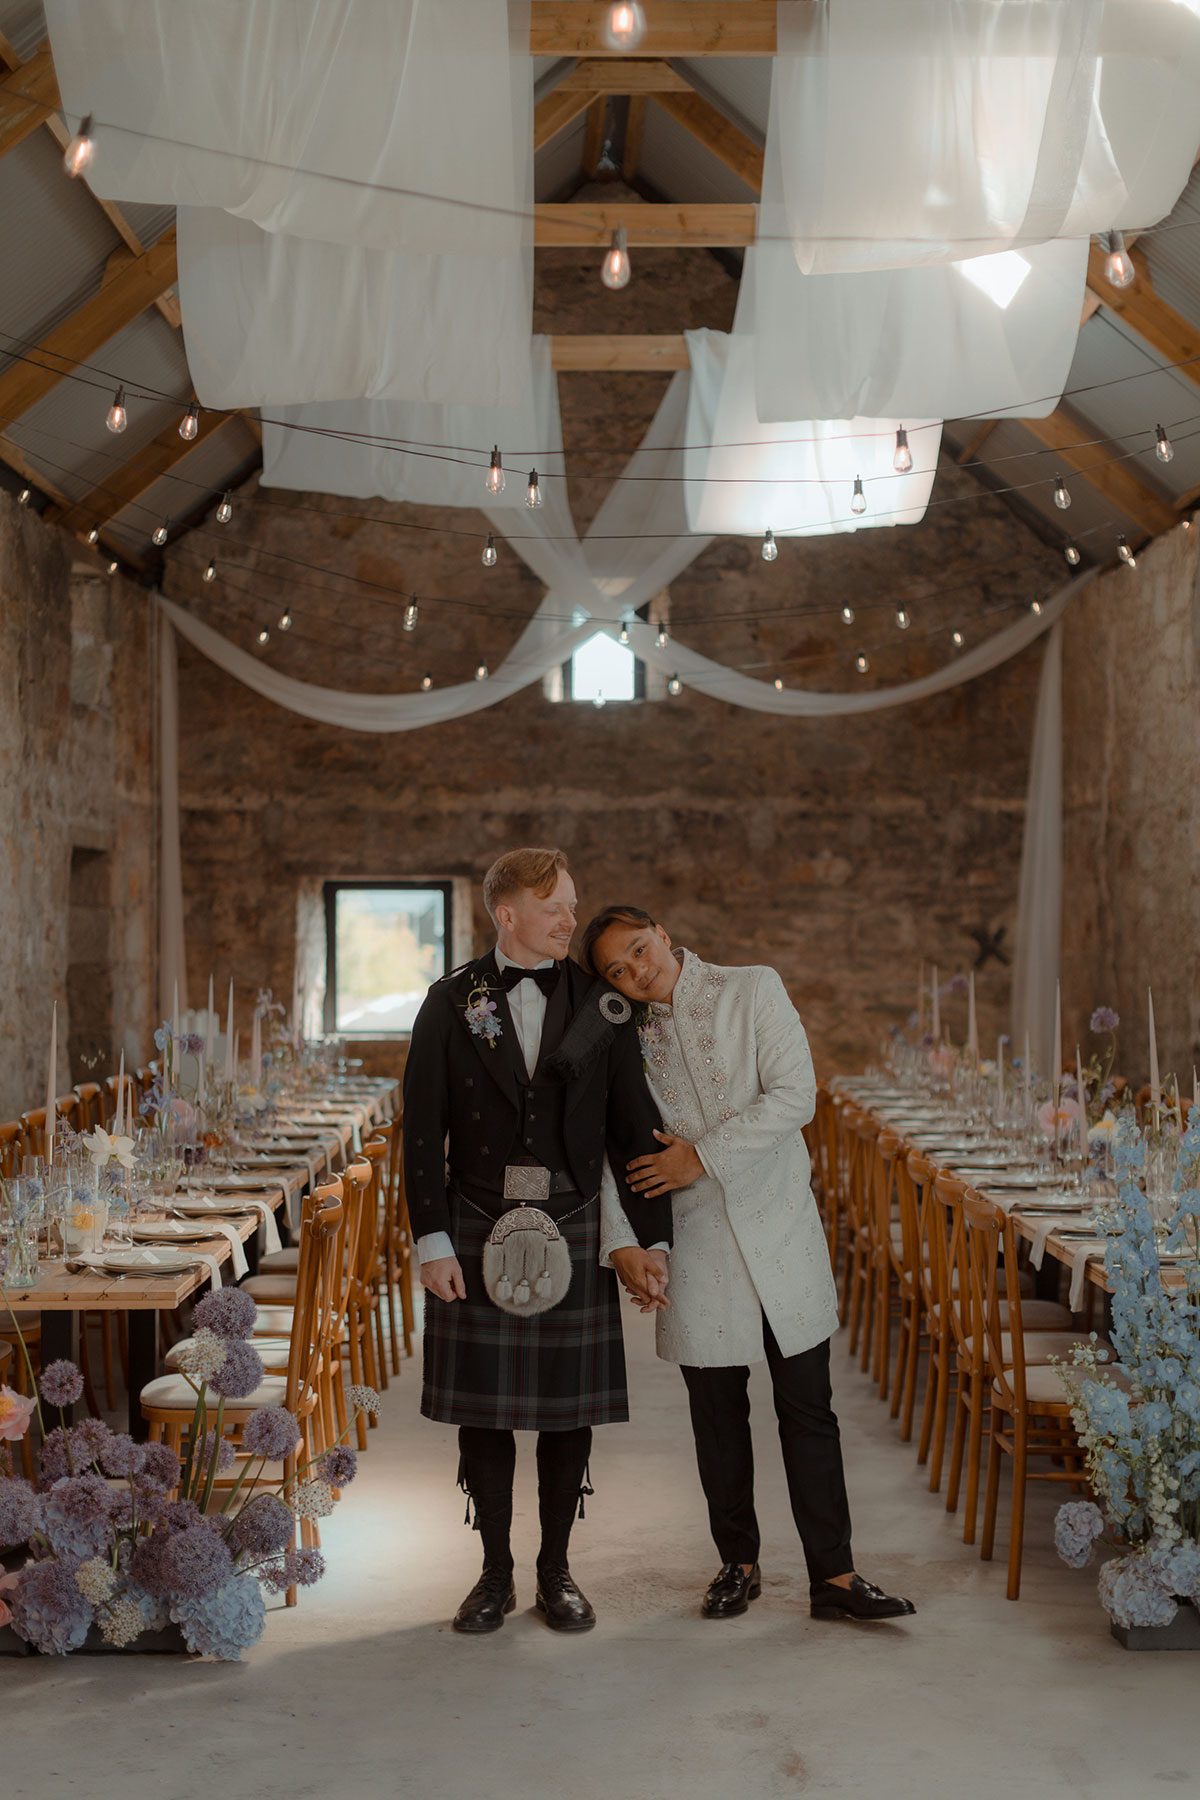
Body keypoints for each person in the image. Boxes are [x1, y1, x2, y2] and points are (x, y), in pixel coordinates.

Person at [583, 905, 915, 1626]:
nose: (639, 971)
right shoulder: (620, 1036)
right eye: (619, 969)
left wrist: (698, 1155)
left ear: (663, 934)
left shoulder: (753, 989)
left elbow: (797, 1095)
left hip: (781, 1228)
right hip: (696, 1245)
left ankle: (836, 1575)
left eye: (641, 949)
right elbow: (610, 1146)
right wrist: (624, 1243)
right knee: (717, 1416)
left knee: (808, 1407)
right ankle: (737, 1564)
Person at [403, 851, 672, 1636]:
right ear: (507, 914)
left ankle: (556, 1569)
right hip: (477, 1219)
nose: (570, 921)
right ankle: (493, 1573)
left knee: (565, 1414)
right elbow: (422, 1134)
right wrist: (431, 1239)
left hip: (574, 1221)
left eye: (574, 904)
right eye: (554, 907)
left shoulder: (606, 1008)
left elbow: (633, 1133)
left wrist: (652, 1243)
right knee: (483, 1416)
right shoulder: (451, 1001)